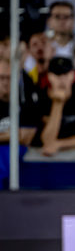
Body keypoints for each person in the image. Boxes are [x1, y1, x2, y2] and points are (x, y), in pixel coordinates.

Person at [38, 57, 75, 156]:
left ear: (73, 74)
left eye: (66, 74)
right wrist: (58, 103)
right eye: (57, 75)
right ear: (49, 76)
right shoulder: (42, 97)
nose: (62, 79)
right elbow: (48, 140)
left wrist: (59, 144)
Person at [0, 58, 40, 189]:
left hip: (12, 152)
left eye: (9, 78)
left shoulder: (25, 99)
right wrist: (13, 134)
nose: (6, 82)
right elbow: (19, 134)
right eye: (1, 78)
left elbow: (26, 135)